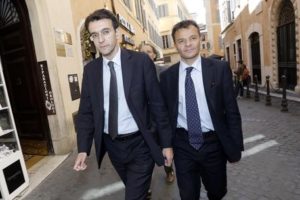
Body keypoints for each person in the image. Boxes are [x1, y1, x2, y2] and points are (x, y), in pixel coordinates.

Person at [73, 9, 173, 200]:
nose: (101, 39)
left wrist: (167, 143)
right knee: (136, 190)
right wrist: (83, 149)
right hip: (113, 147)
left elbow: (157, 105)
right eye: (95, 35)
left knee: (133, 196)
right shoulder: (91, 70)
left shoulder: (141, 62)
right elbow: (86, 112)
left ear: (117, 33)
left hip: (141, 144)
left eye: (106, 32)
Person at [159, 19, 244, 200]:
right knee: (188, 195)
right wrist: (166, 145)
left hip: (213, 143)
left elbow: (231, 110)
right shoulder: (167, 76)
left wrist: (235, 147)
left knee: (217, 191)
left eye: (192, 38)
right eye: (181, 41)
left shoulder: (219, 69)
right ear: (175, 45)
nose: (188, 44)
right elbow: (164, 115)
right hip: (183, 144)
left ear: (200, 39)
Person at [139, 42, 175, 184]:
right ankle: (145, 184)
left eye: (148, 51)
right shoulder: (132, 73)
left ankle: (169, 170)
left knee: (165, 148)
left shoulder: (164, 71)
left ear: (154, 55)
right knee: (143, 154)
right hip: (142, 122)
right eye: (142, 52)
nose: (145, 55)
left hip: (160, 120)